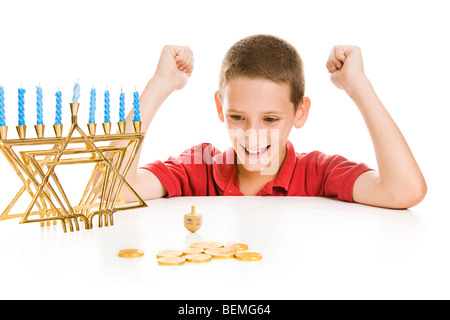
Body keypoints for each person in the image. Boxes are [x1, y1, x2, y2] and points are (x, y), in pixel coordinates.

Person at [114, 34, 426, 209]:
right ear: (220, 109)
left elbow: (405, 191)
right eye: (238, 117)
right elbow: (112, 189)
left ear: (299, 113)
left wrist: (357, 84)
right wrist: (160, 84)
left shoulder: (318, 172)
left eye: (271, 119)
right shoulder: (200, 167)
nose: (251, 134)